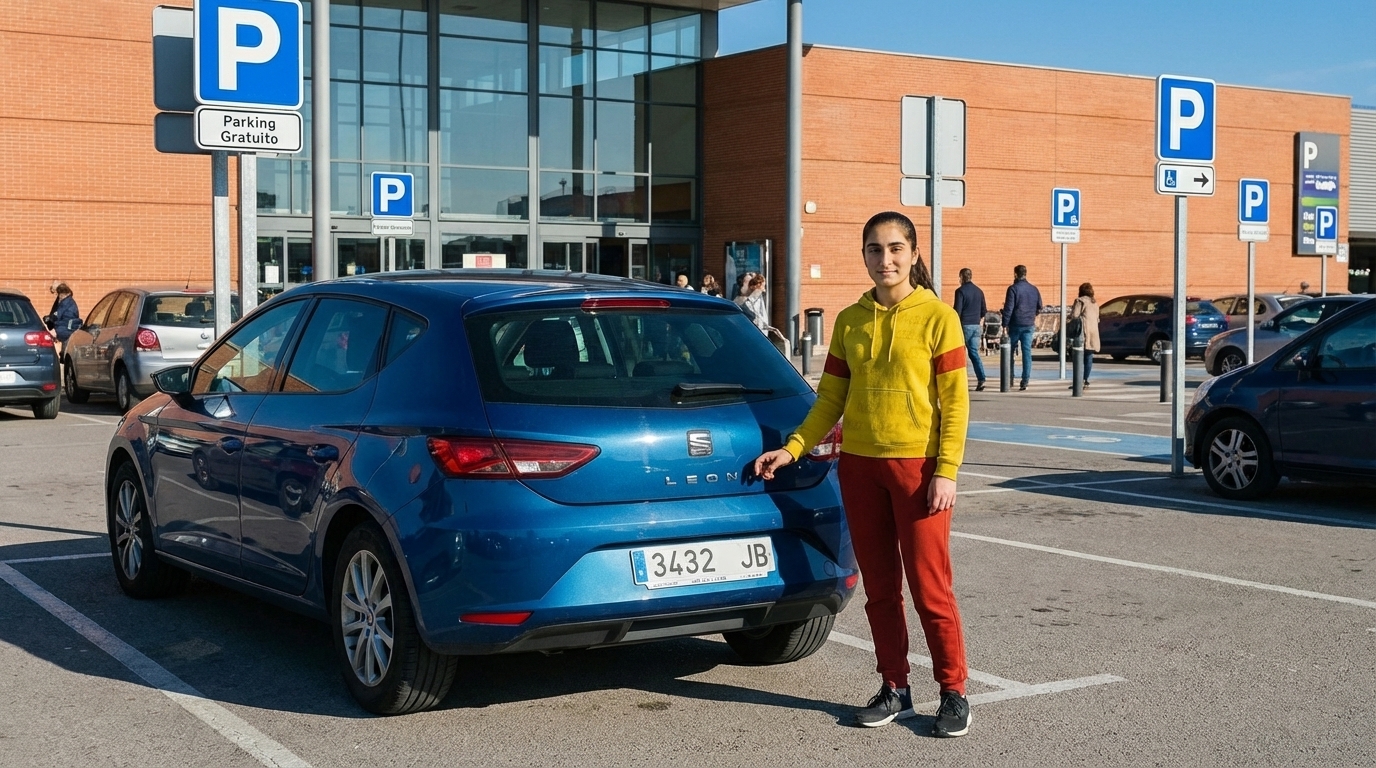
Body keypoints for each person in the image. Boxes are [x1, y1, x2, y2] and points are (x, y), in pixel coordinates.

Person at [753, 211, 972, 738]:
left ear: (914, 254)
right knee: (879, 589)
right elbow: (831, 398)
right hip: (859, 469)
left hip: (917, 470)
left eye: (896, 249)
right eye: (875, 250)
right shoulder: (851, 321)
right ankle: (894, 686)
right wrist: (795, 447)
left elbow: (956, 403)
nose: (885, 259)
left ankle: (954, 692)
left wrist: (947, 470)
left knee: (930, 587)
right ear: (865, 256)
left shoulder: (939, 317)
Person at [1000, 265, 1043, 391]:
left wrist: (1004, 324)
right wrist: (1031, 315)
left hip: (1015, 324)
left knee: (1009, 353)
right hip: (1029, 324)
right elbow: (1040, 306)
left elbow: (1009, 308)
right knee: (1027, 353)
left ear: (1015, 274)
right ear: (1025, 274)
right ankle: (1025, 380)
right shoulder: (1034, 289)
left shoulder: (1013, 289)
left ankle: (1010, 378)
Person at [952, 268, 988, 391]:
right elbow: (984, 310)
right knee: (974, 353)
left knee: (959, 354)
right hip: (976, 326)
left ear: (962, 277)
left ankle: (960, 380)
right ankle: (981, 379)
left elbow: (957, 311)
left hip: (964, 325)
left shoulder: (960, 291)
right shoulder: (979, 291)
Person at [1067, 282, 1100, 388]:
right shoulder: (1094, 303)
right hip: (1093, 332)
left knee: (1078, 356)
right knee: (1089, 356)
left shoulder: (1079, 301)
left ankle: (1078, 381)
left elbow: (1075, 315)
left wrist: (1069, 317)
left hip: (1083, 332)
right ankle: (1085, 379)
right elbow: (1097, 318)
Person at [46, 282, 80, 353]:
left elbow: (58, 315)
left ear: (61, 294)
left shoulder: (65, 302)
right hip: (67, 326)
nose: (56, 296)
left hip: (65, 327)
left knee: (48, 336)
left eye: (56, 293)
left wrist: (50, 319)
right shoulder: (69, 301)